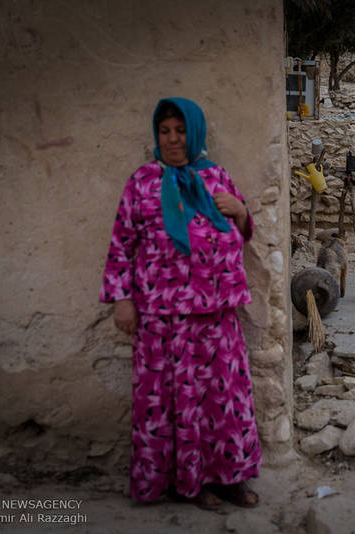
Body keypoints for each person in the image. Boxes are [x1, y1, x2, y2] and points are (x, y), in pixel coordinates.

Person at [100, 98, 261, 509]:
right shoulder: (142, 182)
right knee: (179, 404)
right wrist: (121, 300)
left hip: (218, 314)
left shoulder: (216, 176)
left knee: (224, 401)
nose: (172, 139)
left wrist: (241, 211)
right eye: (165, 131)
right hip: (163, 318)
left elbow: (242, 231)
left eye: (180, 130)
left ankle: (232, 477)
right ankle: (192, 484)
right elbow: (122, 244)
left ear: (195, 132)